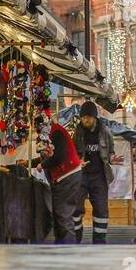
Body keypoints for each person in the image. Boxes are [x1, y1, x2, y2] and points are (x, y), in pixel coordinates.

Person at [32, 116, 83, 243]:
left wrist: (42, 165)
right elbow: (50, 157)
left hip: (68, 175)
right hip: (64, 176)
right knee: (59, 213)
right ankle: (61, 245)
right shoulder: (53, 134)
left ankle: (68, 248)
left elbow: (58, 157)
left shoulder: (57, 133)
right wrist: (30, 163)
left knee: (63, 213)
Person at [71, 101, 115, 243]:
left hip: (99, 175)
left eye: (88, 117)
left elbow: (111, 150)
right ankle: (76, 237)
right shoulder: (77, 132)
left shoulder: (105, 132)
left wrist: (112, 157)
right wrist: (77, 162)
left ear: (95, 117)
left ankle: (99, 240)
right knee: (76, 208)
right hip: (81, 175)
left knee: (101, 209)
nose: (85, 120)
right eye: (83, 117)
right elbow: (72, 152)